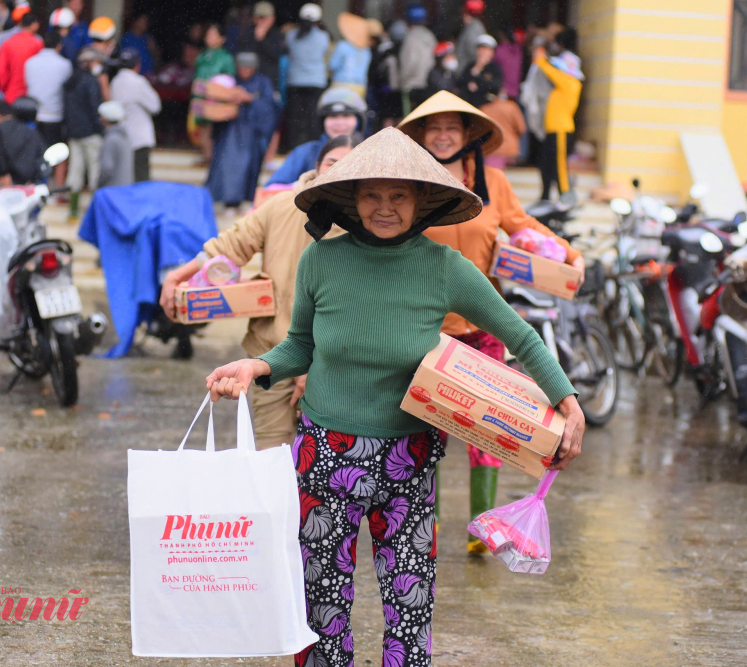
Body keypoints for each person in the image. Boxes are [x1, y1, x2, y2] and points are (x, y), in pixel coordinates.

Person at [204, 127, 585, 667]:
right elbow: (301, 345)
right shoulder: (321, 261)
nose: (384, 207)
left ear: (422, 200)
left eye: (398, 195)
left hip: (409, 459)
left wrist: (567, 402)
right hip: (323, 456)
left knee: (410, 607)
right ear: (351, 200)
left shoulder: (446, 268)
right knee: (321, 604)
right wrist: (256, 366)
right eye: (371, 195)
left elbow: (521, 335)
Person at [397, 91, 585, 552]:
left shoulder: (493, 182)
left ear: (467, 136)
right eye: (433, 127)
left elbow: (524, 228)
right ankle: (428, 523)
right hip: (426, 329)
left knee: (490, 427)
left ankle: (482, 529)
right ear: (421, 135)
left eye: (452, 127)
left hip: (483, 325)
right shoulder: (410, 182)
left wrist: (570, 255)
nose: (442, 135)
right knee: (427, 426)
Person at [160, 134, 360, 449]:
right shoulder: (282, 206)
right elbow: (230, 246)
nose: (338, 170)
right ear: (317, 166)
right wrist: (177, 276)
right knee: (274, 461)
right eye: (332, 162)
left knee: (330, 471)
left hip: (341, 369)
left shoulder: (366, 223)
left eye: (350, 165)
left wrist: (315, 369)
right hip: (273, 359)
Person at [205, 51, 277, 209]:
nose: (244, 71)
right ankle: (221, 199)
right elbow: (213, 99)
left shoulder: (262, 82)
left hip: (250, 133)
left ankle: (243, 199)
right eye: (241, 67)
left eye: (248, 67)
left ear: (254, 68)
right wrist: (230, 98)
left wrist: (250, 99)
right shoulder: (230, 81)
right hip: (228, 131)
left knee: (247, 166)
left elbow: (270, 107)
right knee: (224, 165)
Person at [266, 85, 363, 186]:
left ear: (359, 121)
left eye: (346, 116)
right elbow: (270, 189)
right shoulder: (305, 152)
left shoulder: (370, 153)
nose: (339, 123)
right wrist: (303, 189)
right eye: (333, 116)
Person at [533, 27, 582, 205]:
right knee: (545, 164)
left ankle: (565, 195)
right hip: (552, 130)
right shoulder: (564, 82)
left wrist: (541, 59)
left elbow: (549, 70)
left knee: (560, 166)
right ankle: (545, 196)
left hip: (562, 130)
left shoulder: (571, 82)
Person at [25, 31, 71, 187]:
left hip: (35, 116)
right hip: (55, 115)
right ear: (59, 46)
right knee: (60, 154)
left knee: (35, 152)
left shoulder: (30, 62)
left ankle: (34, 185)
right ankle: (58, 188)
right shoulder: (65, 65)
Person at [64, 46, 103, 219]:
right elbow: (95, 108)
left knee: (75, 171)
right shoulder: (90, 81)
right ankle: (94, 212)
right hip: (90, 133)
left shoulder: (70, 81)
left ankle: (72, 211)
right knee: (95, 171)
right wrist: (101, 129)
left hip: (74, 132)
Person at [283, 2, 328, 151]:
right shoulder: (323, 37)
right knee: (313, 117)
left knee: (294, 117)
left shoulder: (291, 35)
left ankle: (293, 148)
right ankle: (313, 148)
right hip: (316, 81)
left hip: (296, 81)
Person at [110, 48, 159, 182]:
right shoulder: (138, 81)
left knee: (125, 177)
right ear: (137, 65)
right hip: (140, 137)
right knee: (141, 177)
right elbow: (156, 106)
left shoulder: (115, 82)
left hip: (123, 136)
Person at [192, 23, 234, 163]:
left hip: (216, 98)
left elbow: (229, 79)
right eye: (208, 34)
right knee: (202, 126)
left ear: (222, 39)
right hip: (200, 95)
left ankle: (214, 159)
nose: (210, 37)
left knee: (212, 128)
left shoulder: (226, 57)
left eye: (214, 34)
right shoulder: (202, 55)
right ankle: (206, 155)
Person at [0, 96, 46, 188]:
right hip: (27, 184)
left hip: (3, 182)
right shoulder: (33, 133)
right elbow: (40, 157)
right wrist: (33, 179)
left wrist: (4, 173)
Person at [0, 10, 39, 103]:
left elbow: (0, 71)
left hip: (11, 93)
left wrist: (5, 88)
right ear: (35, 25)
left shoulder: (7, 43)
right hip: (30, 95)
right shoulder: (38, 44)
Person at [398, 5, 435, 111]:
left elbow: (409, 62)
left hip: (412, 84)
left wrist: (403, 81)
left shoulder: (410, 37)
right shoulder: (430, 35)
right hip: (428, 84)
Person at [237, 1, 280, 91]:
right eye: (258, 17)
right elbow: (243, 55)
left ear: (272, 18)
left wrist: (262, 40)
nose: (261, 21)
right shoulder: (248, 33)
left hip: (270, 81)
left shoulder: (277, 34)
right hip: (249, 82)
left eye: (264, 18)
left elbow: (276, 55)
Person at [479, 89, 526, 169]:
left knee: (493, 179)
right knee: (510, 180)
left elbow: (479, 132)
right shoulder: (512, 107)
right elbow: (522, 128)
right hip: (511, 150)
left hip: (492, 150)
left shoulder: (484, 109)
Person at [328, 12, 371, 97]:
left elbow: (332, 65)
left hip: (341, 84)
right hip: (360, 86)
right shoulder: (366, 50)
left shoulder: (343, 46)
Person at [456, 33, 501, 109]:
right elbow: (461, 83)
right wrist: (477, 68)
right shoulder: (470, 66)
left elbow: (496, 85)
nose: (484, 52)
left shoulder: (494, 68)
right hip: (469, 106)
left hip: (487, 107)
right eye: (481, 49)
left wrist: (479, 85)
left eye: (487, 49)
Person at [96, 99, 131, 187]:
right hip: (125, 188)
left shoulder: (110, 139)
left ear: (104, 119)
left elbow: (107, 168)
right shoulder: (125, 137)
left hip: (112, 190)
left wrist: (99, 184)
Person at [456, 0, 486, 73]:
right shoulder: (470, 27)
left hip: (467, 73)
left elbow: (474, 53)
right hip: (465, 71)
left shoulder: (474, 28)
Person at [493, 29, 522, 99]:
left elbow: (492, 67)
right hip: (515, 91)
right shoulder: (518, 50)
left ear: (501, 35)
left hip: (503, 91)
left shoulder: (500, 50)